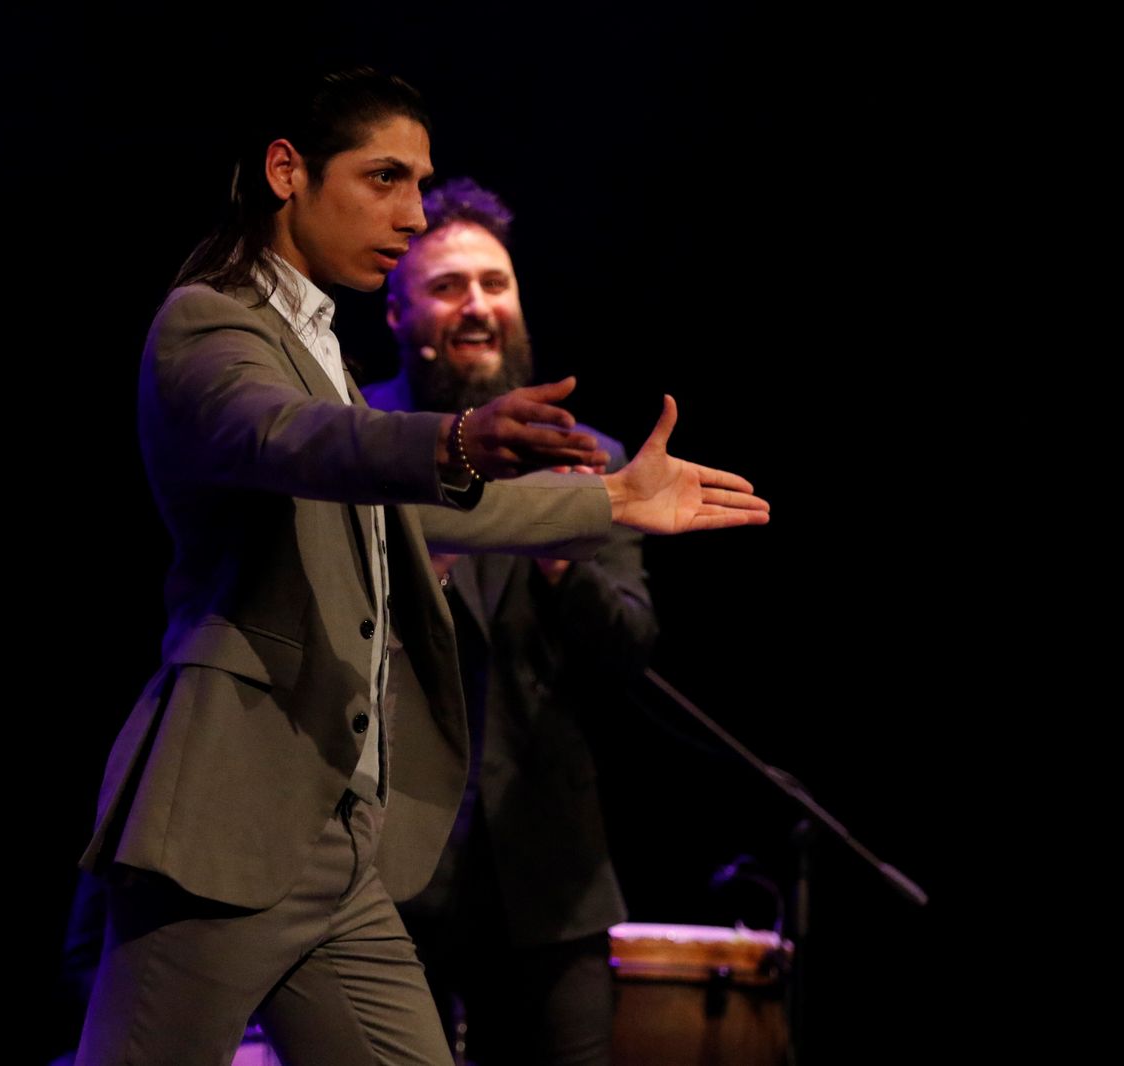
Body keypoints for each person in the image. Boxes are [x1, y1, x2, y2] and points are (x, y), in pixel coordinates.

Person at [76, 68, 767, 1066]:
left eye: (419, 182)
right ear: (286, 171)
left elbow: (416, 498)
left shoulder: (321, 349)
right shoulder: (211, 321)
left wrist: (609, 501)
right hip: (228, 825)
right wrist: (449, 439)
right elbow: (288, 438)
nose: (409, 212)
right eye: (385, 178)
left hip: (338, 839)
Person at [364, 177, 653, 1065]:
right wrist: (432, 557)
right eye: (448, 287)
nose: (478, 306)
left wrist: (560, 547)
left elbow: (630, 649)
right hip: (390, 866)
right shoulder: (357, 442)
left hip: (551, 874)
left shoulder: (586, 458)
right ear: (399, 312)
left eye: (495, 285)